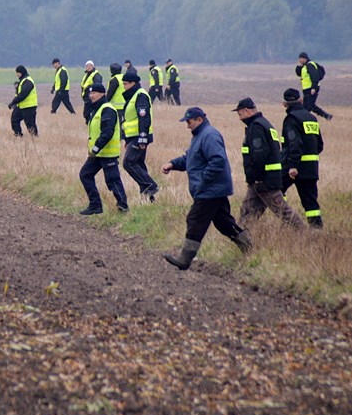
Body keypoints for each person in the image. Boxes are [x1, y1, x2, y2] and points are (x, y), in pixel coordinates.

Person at [162, 107, 252, 270]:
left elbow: (217, 160)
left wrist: (203, 181)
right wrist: (173, 164)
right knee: (224, 222)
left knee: (195, 219)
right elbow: (190, 158)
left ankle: (185, 259)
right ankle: (249, 247)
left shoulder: (209, 135)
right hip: (213, 189)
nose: (187, 126)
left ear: (199, 120)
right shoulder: (200, 136)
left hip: (210, 190)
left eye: (189, 122)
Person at [232, 97, 304, 229]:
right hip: (262, 180)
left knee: (283, 211)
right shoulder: (264, 124)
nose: (240, 118)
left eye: (240, 114)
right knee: (246, 212)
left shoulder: (256, 127)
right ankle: (241, 236)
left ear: (247, 111)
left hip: (265, 181)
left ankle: (305, 232)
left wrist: (258, 178)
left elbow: (259, 155)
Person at [79, 83, 128, 215]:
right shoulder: (97, 109)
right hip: (97, 154)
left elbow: (107, 133)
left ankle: (123, 207)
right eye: (90, 93)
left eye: (94, 93)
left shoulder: (107, 109)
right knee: (85, 174)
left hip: (107, 153)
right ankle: (95, 206)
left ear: (102, 94)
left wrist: (95, 148)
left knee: (113, 180)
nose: (91, 96)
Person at [281, 88, 325, 228]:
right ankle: (317, 228)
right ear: (300, 100)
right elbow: (320, 145)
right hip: (311, 168)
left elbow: (294, 143)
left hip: (294, 167)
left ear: (284, 104)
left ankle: (285, 220)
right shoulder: (311, 118)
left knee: (277, 189)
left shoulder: (291, 119)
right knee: (310, 202)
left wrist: (293, 165)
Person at [121, 72, 159, 202]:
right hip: (133, 136)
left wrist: (142, 139)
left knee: (128, 163)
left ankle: (150, 185)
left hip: (139, 136)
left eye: (125, 84)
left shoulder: (140, 95)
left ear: (133, 83)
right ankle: (148, 198)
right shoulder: (133, 95)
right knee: (139, 165)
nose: (124, 86)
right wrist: (127, 139)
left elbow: (144, 118)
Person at [296, 52, 332, 120]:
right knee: (308, 105)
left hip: (311, 88)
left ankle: (304, 118)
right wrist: (299, 66)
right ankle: (326, 115)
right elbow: (298, 73)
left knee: (309, 106)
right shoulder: (304, 66)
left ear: (305, 58)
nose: (299, 60)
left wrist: (314, 88)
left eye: (301, 58)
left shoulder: (310, 65)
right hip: (306, 89)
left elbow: (315, 77)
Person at [8, 65, 38, 136]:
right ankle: (18, 135)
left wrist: (13, 102)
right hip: (21, 106)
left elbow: (23, 94)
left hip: (29, 106)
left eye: (17, 72)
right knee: (14, 120)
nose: (16, 74)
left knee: (30, 125)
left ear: (21, 72)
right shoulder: (22, 80)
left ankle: (35, 138)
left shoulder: (28, 81)